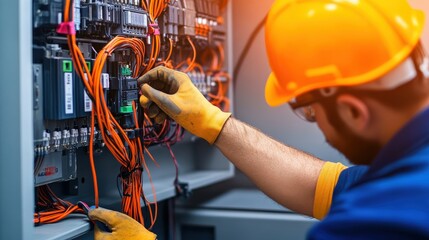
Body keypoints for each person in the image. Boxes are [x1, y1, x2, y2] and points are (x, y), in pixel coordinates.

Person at [88, 0, 429, 239]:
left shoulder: (380, 221)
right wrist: (213, 122)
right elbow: (321, 186)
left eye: (308, 111)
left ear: (354, 112)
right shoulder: (407, 171)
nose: (315, 123)